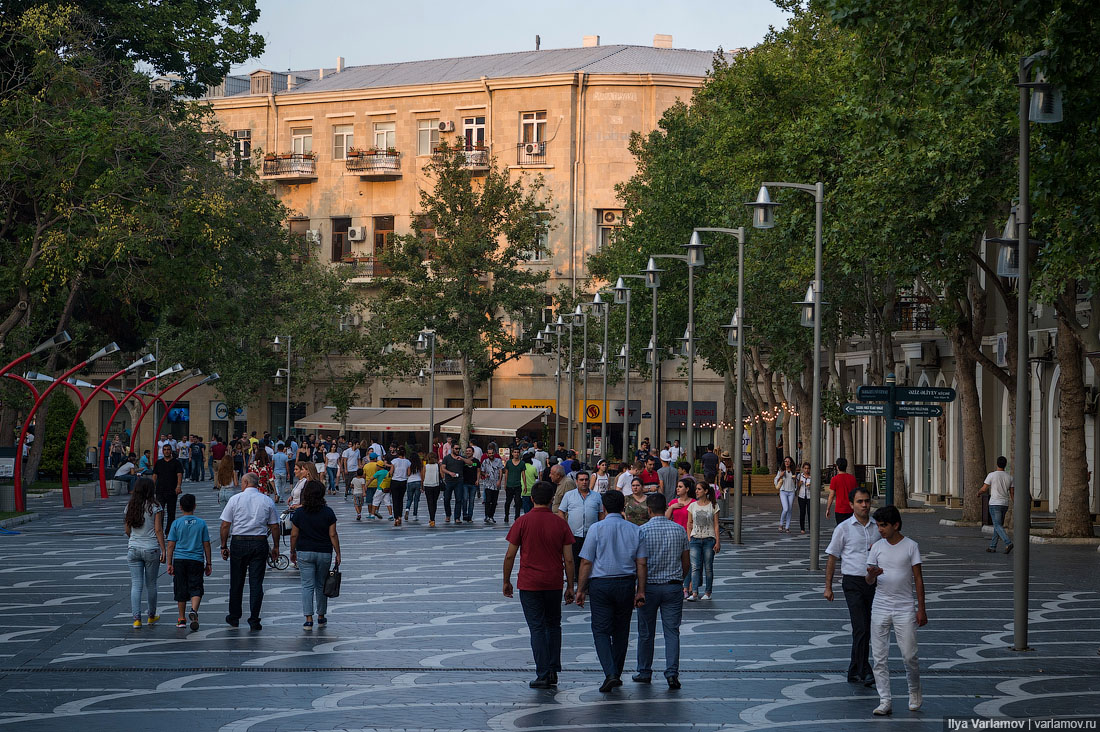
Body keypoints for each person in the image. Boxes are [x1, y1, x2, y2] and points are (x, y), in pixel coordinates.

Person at [502, 479, 576, 689]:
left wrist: (506, 581)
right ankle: (553, 669)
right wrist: (570, 585)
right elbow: (569, 559)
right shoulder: (560, 523)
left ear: (532, 498)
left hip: (529, 583)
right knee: (554, 625)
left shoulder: (522, 522)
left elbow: (510, 556)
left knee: (536, 627)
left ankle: (542, 672)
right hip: (553, 582)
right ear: (552, 499)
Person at [575, 490, 648, 693]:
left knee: (600, 630)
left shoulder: (596, 529)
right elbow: (641, 563)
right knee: (621, 631)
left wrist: (580, 589)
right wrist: (641, 590)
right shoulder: (635, 530)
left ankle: (611, 672)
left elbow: (586, 561)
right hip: (626, 583)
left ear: (604, 508)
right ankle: (616, 671)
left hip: (601, 585)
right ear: (623, 507)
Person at [866, 505, 927, 716]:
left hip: (905, 608)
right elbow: (868, 579)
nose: (880, 529)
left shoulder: (911, 546)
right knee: (879, 657)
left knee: (910, 655)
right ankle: (885, 700)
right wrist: (872, 575)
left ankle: (914, 691)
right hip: (880, 606)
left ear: (896, 525)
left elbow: (918, 579)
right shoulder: (876, 547)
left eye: (884, 525)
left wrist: (921, 609)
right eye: (878, 525)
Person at [824, 486, 878, 686]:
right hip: (852, 582)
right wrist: (828, 586)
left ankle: (854, 670)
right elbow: (832, 557)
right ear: (851, 504)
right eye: (860, 502)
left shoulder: (876, 527)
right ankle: (865, 670)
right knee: (861, 627)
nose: (864, 505)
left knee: (867, 628)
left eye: (867, 501)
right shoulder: (843, 528)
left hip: (873, 583)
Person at [635, 492, 689, 689]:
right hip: (673, 586)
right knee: (672, 632)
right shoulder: (679, 530)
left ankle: (644, 671)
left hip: (648, 587)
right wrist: (679, 580)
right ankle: (672, 673)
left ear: (649, 510)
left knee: (646, 631)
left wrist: (639, 587)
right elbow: (686, 562)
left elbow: (639, 562)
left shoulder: (642, 531)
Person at [219, 472, 280, 631]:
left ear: (245, 482)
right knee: (256, 583)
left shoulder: (235, 499)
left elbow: (225, 525)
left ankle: (234, 616)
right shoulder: (266, 500)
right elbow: (274, 526)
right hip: (259, 543)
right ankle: (254, 619)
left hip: (238, 542)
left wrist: (224, 546)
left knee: (236, 582)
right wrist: (276, 546)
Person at [290, 480, 341, 630]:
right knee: (320, 584)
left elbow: (294, 535)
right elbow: (333, 534)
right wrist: (338, 552)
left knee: (307, 585)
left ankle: (308, 618)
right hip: (324, 552)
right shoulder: (328, 512)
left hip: (304, 551)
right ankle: (321, 615)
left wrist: (292, 551)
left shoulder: (299, 513)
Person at [166, 493, 212, 630]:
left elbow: (170, 545)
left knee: (180, 588)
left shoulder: (176, 523)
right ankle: (193, 610)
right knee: (196, 587)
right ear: (195, 506)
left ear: (180, 507)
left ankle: (181, 618)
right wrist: (209, 562)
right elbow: (206, 544)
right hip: (196, 560)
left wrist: (169, 563)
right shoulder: (201, 523)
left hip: (180, 560)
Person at [124, 477, 165, 628]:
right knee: (151, 584)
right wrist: (163, 549)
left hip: (133, 548)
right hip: (151, 548)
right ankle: (151, 616)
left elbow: (127, 529)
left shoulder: (131, 505)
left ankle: (136, 619)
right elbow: (158, 529)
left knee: (136, 585)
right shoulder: (155, 506)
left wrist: (134, 539)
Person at [556, 470, 605, 591]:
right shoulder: (569, 495)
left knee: (589, 560)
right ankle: (573, 584)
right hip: (573, 534)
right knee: (573, 560)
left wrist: (600, 529)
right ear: (576, 481)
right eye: (581, 480)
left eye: (586, 479)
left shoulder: (597, 496)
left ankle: (587, 585)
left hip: (591, 535)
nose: (584, 482)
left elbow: (601, 514)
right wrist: (564, 527)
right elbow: (561, 511)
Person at [685, 482, 720, 601]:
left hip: (709, 539)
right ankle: (694, 592)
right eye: (696, 489)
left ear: (705, 491)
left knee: (708, 567)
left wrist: (717, 541)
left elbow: (716, 525)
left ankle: (708, 592)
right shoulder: (692, 506)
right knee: (695, 566)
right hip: (695, 539)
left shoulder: (713, 506)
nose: (696, 491)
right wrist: (689, 538)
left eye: (699, 489)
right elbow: (689, 524)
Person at [978, 455, 1014, 554]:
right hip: (1005, 504)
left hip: (994, 503)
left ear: (997, 464)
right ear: (1005, 465)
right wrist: (1014, 503)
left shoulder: (992, 475)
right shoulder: (1009, 477)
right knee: (998, 526)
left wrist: (979, 492)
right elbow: (1012, 493)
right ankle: (992, 546)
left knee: (997, 525)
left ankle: (1008, 542)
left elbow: (984, 488)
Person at [152, 444, 184, 532]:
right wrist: (152, 487)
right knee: (159, 512)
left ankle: (169, 531)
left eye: (168, 449)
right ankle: (159, 530)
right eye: (165, 449)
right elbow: (155, 475)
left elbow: (179, 474)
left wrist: (178, 486)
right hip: (160, 491)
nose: (166, 451)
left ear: (171, 451)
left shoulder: (176, 463)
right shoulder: (159, 463)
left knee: (171, 512)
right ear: (162, 451)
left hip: (172, 491)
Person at [826, 456, 857, 525]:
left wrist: (828, 508)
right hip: (851, 508)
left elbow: (831, 495)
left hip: (840, 509)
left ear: (837, 467)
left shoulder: (835, 479)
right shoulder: (852, 479)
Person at [479, 443, 503, 524]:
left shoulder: (498, 461)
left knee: (494, 501)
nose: (491, 454)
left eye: (492, 453)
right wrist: (484, 474)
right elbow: (481, 471)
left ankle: (491, 515)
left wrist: (500, 481)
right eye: (489, 453)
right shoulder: (485, 462)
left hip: (496, 484)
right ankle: (487, 515)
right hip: (488, 484)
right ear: (487, 454)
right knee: (488, 500)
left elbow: (501, 471)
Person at [441, 445, 465, 523]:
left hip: (459, 481)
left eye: (459, 449)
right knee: (446, 499)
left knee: (459, 499)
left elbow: (472, 464)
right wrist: (449, 473)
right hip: (449, 481)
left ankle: (457, 517)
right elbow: (443, 468)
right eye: (456, 449)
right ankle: (448, 515)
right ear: (452, 449)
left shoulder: (461, 458)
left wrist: (463, 459)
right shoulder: (447, 458)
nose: (458, 450)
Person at [501, 449, 526, 522]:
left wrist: (525, 485)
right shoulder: (508, 462)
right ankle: (506, 515)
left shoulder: (522, 463)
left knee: (518, 502)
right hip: (509, 485)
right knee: (508, 501)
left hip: (518, 485)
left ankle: (517, 516)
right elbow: (506, 474)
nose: (516, 454)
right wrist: (505, 484)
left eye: (517, 452)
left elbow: (523, 475)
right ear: (512, 453)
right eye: (515, 452)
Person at [457, 446, 480, 523]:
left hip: (473, 483)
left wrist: (477, 480)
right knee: (465, 499)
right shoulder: (462, 461)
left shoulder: (476, 461)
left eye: (469, 451)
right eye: (467, 451)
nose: (468, 452)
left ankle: (470, 516)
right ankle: (464, 514)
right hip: (465, 483)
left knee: (472, 501)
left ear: (473, 452)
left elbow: (478, 471)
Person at [389, 447, 411, 526]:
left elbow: (391, 472)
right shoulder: (408, 462)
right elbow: (408, 473)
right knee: (400, 500)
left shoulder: (394, 461)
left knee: (395, 500)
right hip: (403, 482)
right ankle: (400, 517)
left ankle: (396, 518)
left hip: (395, 481)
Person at [774, 456, 797, 533]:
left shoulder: (793, 471)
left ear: (791, 463)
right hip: (783, 491)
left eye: (788, 461)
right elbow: (775, 481)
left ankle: (787, 527)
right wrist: (780, 475)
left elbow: (796, 483)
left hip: (791, 491)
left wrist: (795, 479)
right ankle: (781, 524)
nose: (787, 463)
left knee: (790, 509)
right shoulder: (781, 471)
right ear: (784, 462)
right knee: (786, 508)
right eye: (785, 461)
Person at [422, 452, 442, 527]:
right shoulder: (438, 466)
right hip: (436, 485)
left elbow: (423, 476)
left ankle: (432, 519)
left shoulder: (425, 466)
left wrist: (422, 485)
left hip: (427, 485)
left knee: (429, 502)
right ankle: (433, 517)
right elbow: (442, 475)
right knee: (434, 502)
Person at [404, 451, 423, 522]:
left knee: (409, 499)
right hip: (418, 481)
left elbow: (408, 474)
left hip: (410, 482)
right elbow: (422, 475)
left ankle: (407, 509)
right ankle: (415, 515)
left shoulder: (409, 464)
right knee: (416, 500)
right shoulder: (419, 465)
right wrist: (422, 485)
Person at [796, 462, 813, 535]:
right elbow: (797, 486)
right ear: (803, 469)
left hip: (809, 496)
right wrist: (800, 483)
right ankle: (802, 528)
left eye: (808, 468)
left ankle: (810, 528)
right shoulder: (800, 476)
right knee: (802, 512)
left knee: (810, 513)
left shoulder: (812, 477)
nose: (806, 470)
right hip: (801, 496)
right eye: (805, 468)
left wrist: (810, 485)